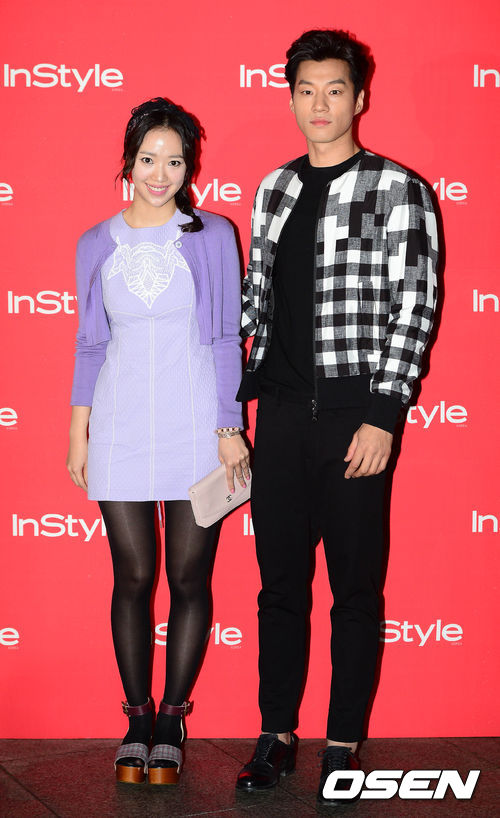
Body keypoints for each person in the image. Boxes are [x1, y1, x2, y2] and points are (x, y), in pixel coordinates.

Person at [235, 30, 438, 805]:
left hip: (357, 416)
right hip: (282, 417)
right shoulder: (274, 189)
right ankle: (276, 735)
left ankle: (344, 742)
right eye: (305, 89)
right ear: (291, 97)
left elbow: (415, 307)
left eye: (334, 89)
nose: (318, 104)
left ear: (359, 98)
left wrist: (384, 414)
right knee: (279, 589)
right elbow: (256, 305)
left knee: (354, 590)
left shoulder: (398, 188)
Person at [66, 97, 250, 785]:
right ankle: (137, 718)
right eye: (149, 159)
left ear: (189, 167)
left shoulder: (212, 235)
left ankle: (172, 719)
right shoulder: (95, 243)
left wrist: (229, 427)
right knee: (134, 578)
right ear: (128, 160)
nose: (160, 174)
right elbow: (89, 345)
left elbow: (227, 337)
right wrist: (78, 432)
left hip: (197, 429)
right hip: (119, 429)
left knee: (188, 578)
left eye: (175, 161)